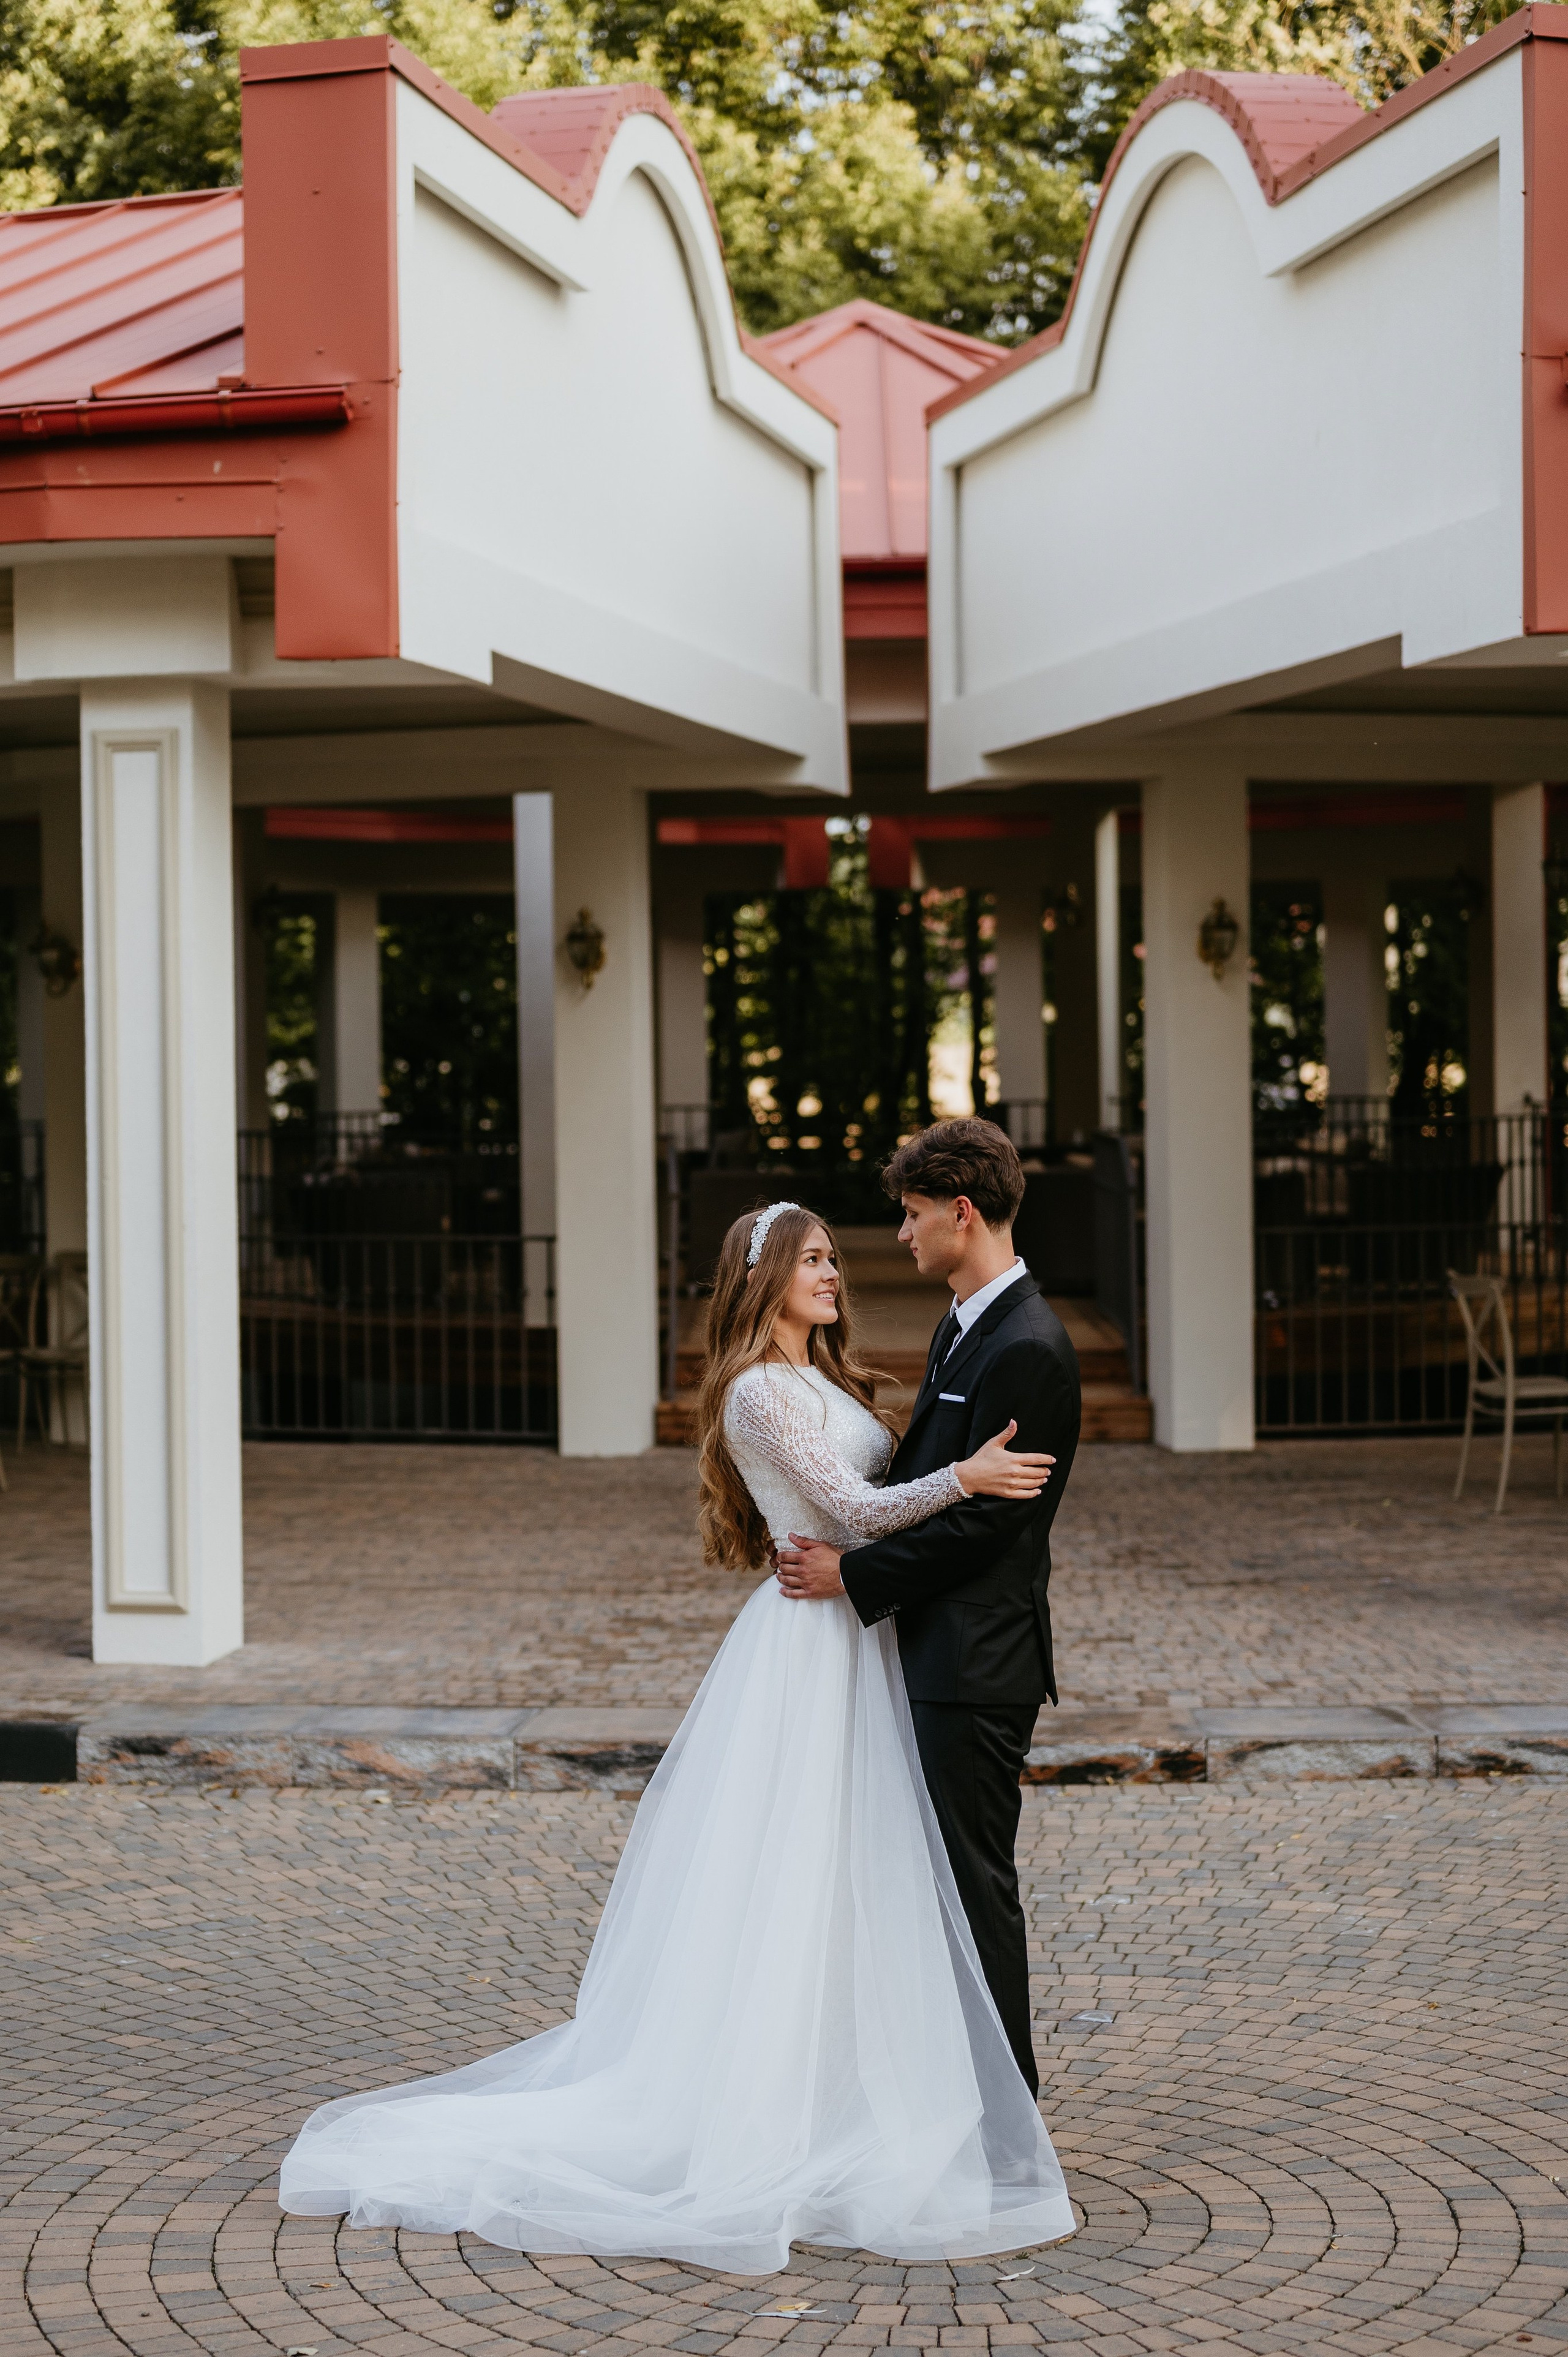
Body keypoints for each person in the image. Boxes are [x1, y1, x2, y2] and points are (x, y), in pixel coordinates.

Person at [278, 1196, 1075, 2273]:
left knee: (861, 1877)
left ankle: (866, 2094)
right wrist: (968, 1476)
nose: (837, 1274)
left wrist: (941, 1494)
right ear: (764, 1280)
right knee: (795, 1876)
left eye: (838, 1258)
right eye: (817, 1262)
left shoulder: (825, 1380)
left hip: (860, 1634)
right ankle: (773, 2113)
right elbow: (859, 1505)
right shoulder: (755, 1392)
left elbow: (868, 1500)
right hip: (809, 1649)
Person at [777, 1119, 1080, 2098]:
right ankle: (942, 2091)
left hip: (977, 1664)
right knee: (931, 1886)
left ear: (960, 1212)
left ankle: (1006, 2115)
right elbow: (938, 1482)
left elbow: (992, 1531)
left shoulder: (1028, 1345)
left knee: (971, 1887)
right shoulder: (964, 1321)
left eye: (910, 1218)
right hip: (933, 1648)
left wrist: (853, 1579)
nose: (900, 1237)